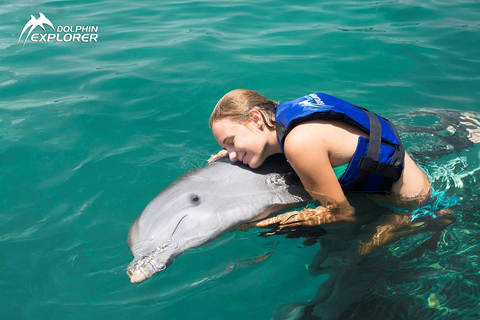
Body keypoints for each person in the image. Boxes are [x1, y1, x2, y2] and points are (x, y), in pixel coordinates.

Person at [208, 89, 439, 242]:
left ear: (256, 119)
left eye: (231, 142)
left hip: (413, 207)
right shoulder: (286, 118)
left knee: (346, 265)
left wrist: (273, 223)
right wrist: (235, 150)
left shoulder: (300, 143)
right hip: (404, 182)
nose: (232, 155)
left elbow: (341, 213)